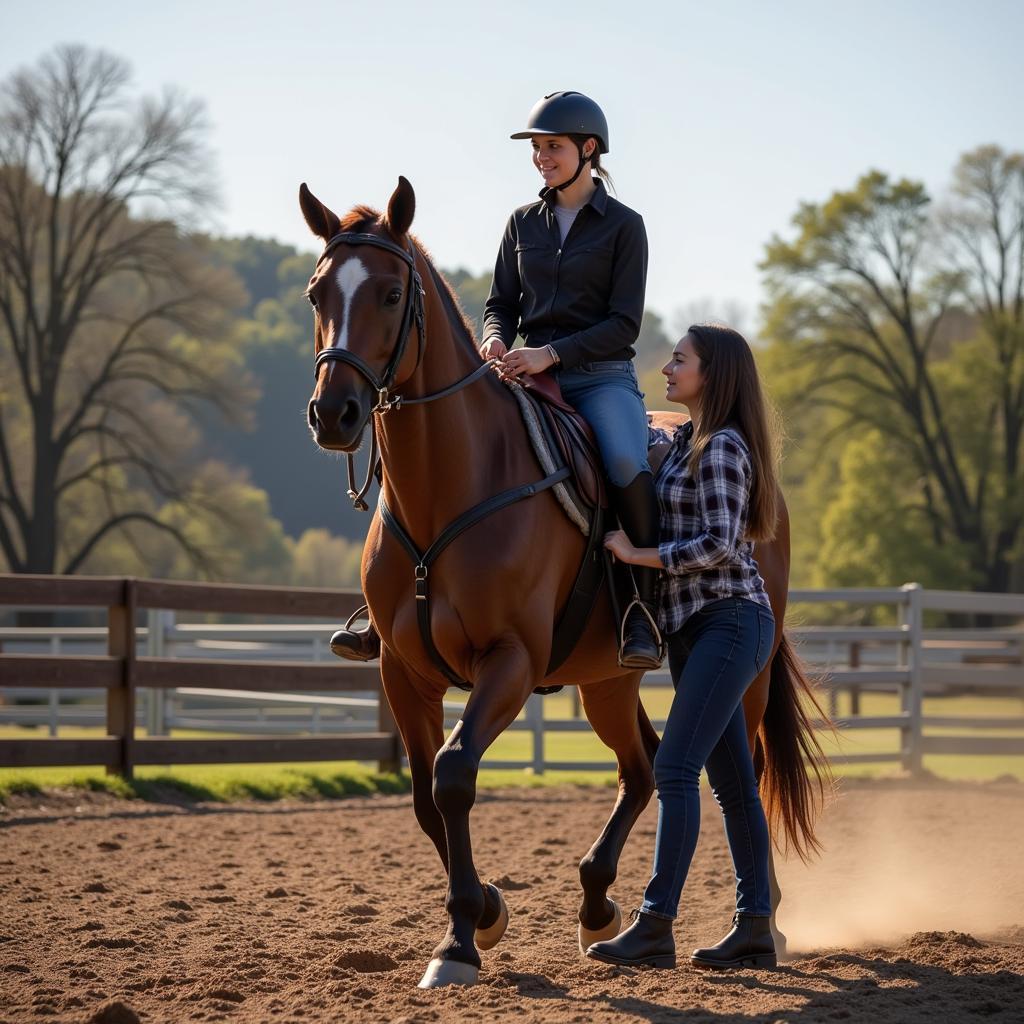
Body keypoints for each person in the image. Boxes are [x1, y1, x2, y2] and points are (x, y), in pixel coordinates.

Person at [330, 90, 663, 669]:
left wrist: (550, 355)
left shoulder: (626, 227)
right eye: (536, 149)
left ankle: (641, 608)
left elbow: (623, 324)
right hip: (521, 372)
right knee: (425, 445)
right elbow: (499, 303)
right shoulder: (520, 223)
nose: (541, 159)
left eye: (552, 148)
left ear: (589, 149)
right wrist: (494, 339)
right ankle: (386, 607)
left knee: (626, 462)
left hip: (599, 378)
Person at [587, 323, 780, 970]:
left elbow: (723, 543)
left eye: (679, 359)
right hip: (697, 630)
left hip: (730, 622)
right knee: (732, 786)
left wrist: (639, 553)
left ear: (712, 373)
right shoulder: (687, 443)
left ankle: (655, 924)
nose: (667, 367)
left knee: (672, 770)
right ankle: (756, 926)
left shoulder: (723, 447)